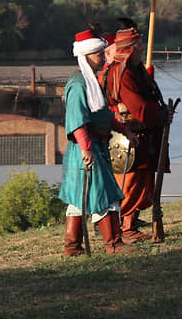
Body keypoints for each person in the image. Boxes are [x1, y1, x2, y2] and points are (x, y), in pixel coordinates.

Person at [59, 28, 134, 255]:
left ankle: (72, 247)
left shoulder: (90, 81)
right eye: (100, 54)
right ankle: (113, 244)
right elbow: (77, 120)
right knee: (103, 194)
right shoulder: (79, 84)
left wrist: (123, 129)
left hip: (93, 146)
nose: (103, 58)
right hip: (86, 149)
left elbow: (100, 114)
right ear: (88, 55)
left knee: (80, 199)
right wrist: (86, 149)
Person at [99, 23, 169, 242]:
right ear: (129, 48)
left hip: (142, 136)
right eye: (138, 45)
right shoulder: (123, 73)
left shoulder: (134, 70)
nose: (141, 49)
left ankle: (129, 225)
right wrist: (159, 115)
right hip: (129, 138)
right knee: (129, 184)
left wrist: (160, 113)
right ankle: (122, 228)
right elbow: (138, 107)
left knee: (140, 183)